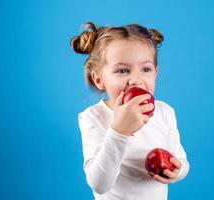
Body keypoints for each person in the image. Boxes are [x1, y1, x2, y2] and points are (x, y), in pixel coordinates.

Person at [70, 22, 190, 200]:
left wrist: (177, 170)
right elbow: (99, 184)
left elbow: (181, 160)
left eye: (146, 69)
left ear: (155, 73)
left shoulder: (165, 112)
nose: (136, 80)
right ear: (99, 79)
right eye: (123, 70)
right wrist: (119, 131)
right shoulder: (93, 118)